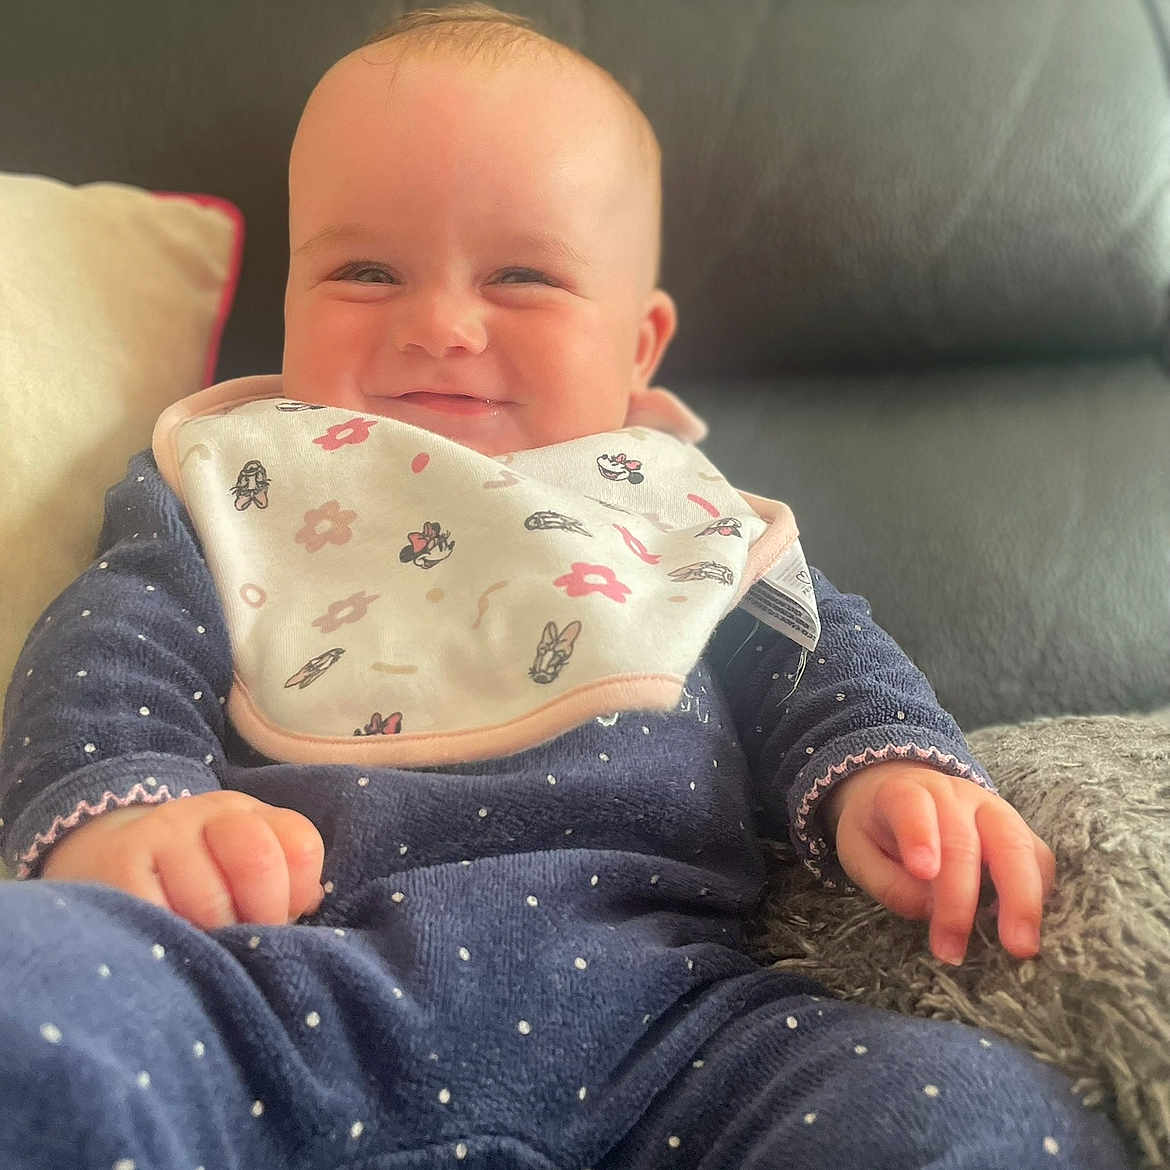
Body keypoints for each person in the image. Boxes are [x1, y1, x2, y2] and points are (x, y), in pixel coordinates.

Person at [0, 5, 1130, 1168]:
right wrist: (125, 810)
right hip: (268, 991)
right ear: (286, 299)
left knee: (970, 1116)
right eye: (364, 269)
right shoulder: (244, 478)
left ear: (638, 347)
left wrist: (894, 769)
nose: (439, 325)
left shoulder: (677, 505)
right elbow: (115, 640)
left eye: (524, 276)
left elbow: (818, 655)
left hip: (676, 1033)